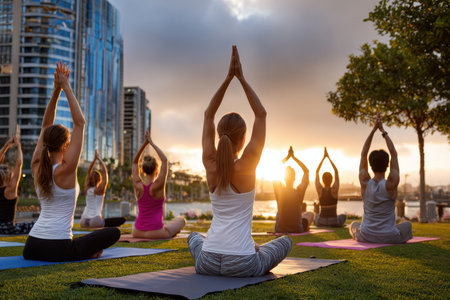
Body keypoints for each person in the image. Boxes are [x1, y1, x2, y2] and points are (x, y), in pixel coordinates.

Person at [188, 46, 292, 277]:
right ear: (244, 139)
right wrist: (241, 79)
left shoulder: (209, 163)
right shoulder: (248, 164)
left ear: (218, 136)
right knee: (284, 242)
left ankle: (245, 246)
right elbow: (261, 114)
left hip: (207, 263)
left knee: (194, 237)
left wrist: (227, 79)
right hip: (243, 264)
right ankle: (251, 247)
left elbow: (207, 115)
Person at [23, 62, 120, 262]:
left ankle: (85, 250)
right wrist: (65, 85)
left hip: (31, 246)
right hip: (58, 248)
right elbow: (80, 123)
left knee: (93, 238)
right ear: (65, 146)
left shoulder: (35, 167)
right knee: (113, 233)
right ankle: (86, 252)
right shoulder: (66, 170)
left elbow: (45, 126)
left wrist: (56, 91)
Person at [349, 114, 412, 244]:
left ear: (370, 166)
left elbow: (363, 154)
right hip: (389, 237)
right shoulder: (391, 183)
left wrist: (373, 130)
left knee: (354, 225)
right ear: (388, 165)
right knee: (407, 225)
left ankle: (359, 234)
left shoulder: (364, 182)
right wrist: (383, 132)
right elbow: (394, 153)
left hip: (366, 235)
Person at [131, 131, 186, 239]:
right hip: (156, 232)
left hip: (137, 231)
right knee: (181, 220)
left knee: (170, 225)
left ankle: (167, 230)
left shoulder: (138, 185)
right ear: (156, 169)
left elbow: (134, 162)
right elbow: (164, 161)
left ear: (142, 170)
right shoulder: (158, 185)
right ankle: (169, 231)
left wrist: (145, 144)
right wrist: (151, 143)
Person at [80, 149, 126, 228]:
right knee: (121, 220)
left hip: (83, 221)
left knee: (109, 221)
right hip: (95, 221)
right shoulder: (100, 190)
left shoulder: (86, 189)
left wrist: (94, 160)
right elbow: (105, 173)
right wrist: (99, 159)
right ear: (99, 179)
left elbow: (88, 172)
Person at [273, 146, 314, 233]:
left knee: (278, 214)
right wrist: (294, 157)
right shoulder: (299, 191)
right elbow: (306, 171)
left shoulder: (279, 190)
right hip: (297, 229)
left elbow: (275, 168)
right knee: (310, 215)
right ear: (295, 178)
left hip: (280, 229)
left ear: (284, 178)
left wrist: (288, 157)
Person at [0, 136, 35, 234]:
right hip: (8, 228)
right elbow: (19, 165)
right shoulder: (10, 190)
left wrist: (6, 146)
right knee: (37, 224)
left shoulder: (9, 189)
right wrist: (18, 146)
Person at [314, 147, 346, 227]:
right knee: (343, 216)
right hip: (334, 222)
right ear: (332, 180)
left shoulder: (320, 190)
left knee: (316, 214)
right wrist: (329, 158)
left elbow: (317, 171)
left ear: (323, 180)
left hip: (322, 222)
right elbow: (336, 171)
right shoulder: (334, 190)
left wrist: (323, 158)